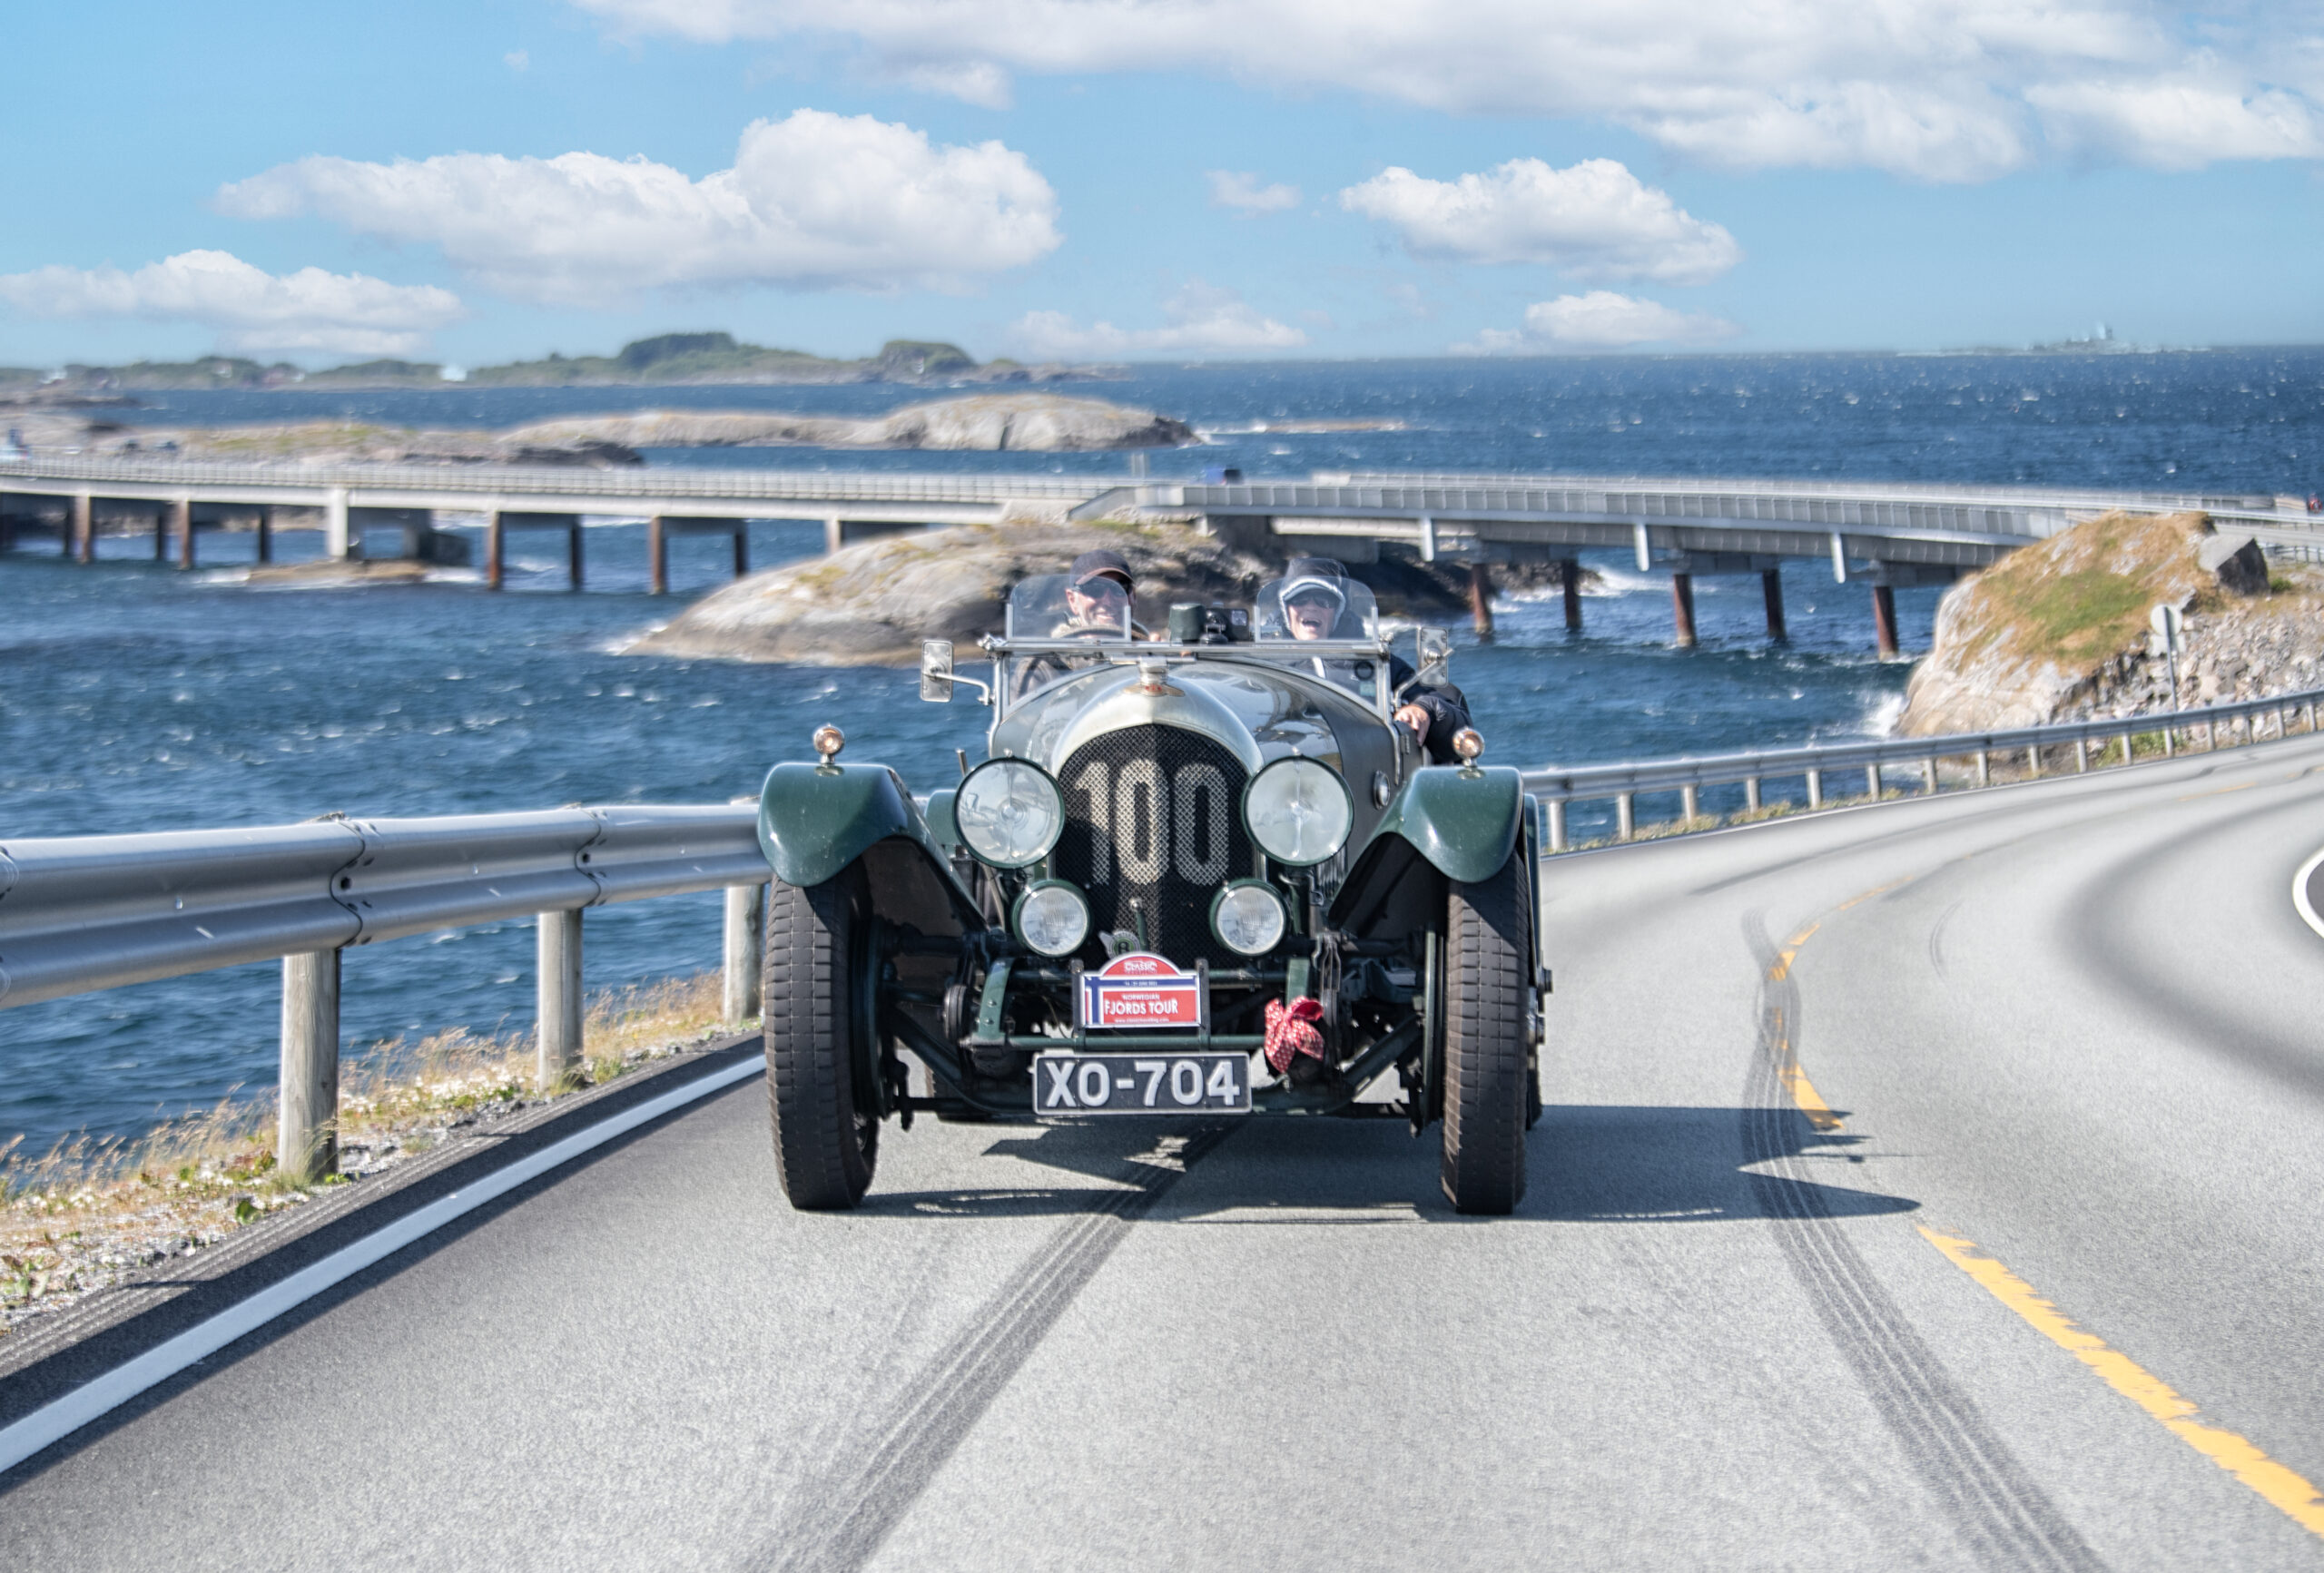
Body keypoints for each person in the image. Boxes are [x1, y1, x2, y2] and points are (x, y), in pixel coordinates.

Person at [1275, 556, 1472, 763]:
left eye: (1324, 601)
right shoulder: (1258, 665)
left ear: (1338, 611)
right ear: (1286, 608)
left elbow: (1447, 712)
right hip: (1279, 776)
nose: (1311, 607)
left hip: (1366, 775)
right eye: (1299, 599)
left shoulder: (1376, 663)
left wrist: (1423, 708)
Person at [1010, 548, 1141, 698]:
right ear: (1072, 600)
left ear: (1133, 596)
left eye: (1120, 588)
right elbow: (1025, 720)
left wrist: (1159, 667)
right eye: (1095, 589)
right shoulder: (1042, 668)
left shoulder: (1156, 658)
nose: (1108, 600)